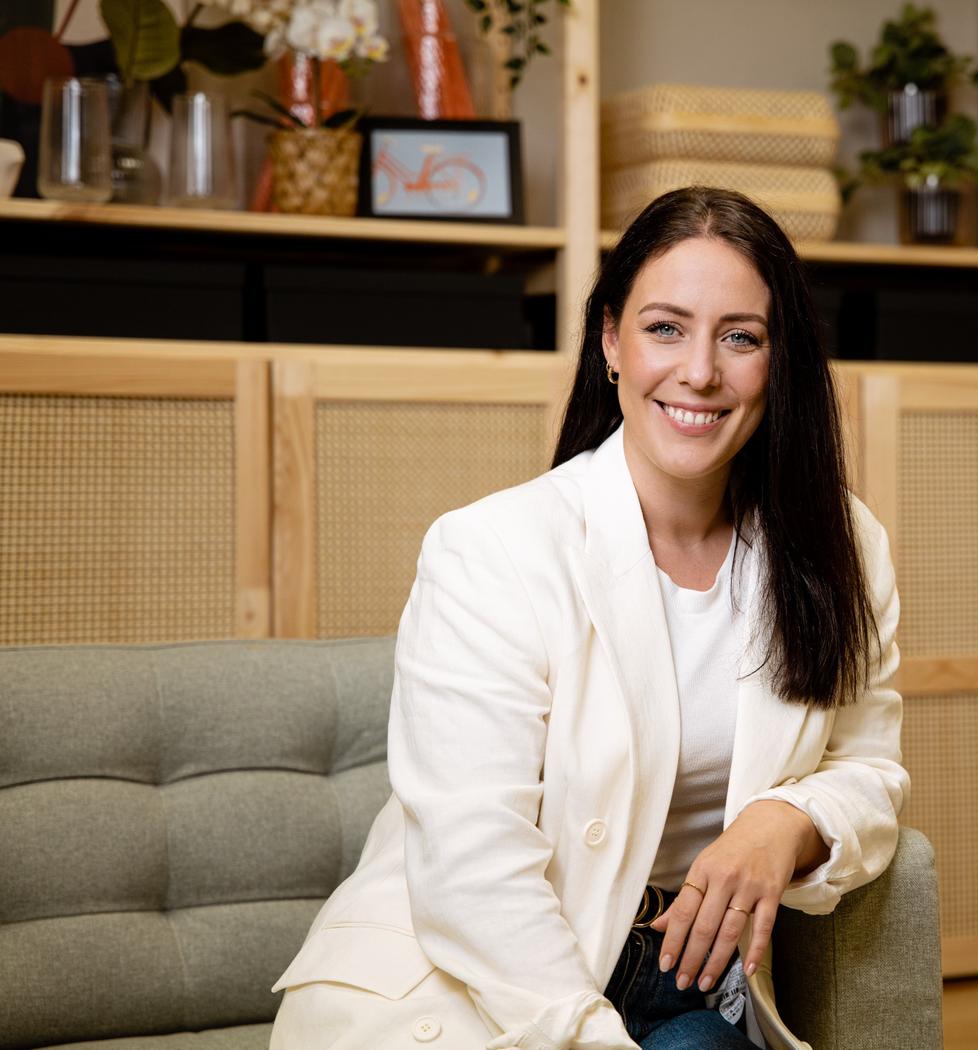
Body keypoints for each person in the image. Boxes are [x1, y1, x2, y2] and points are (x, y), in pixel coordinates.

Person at [269, 186, 908, 1050]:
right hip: (475, 982)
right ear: (611, 340)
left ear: (779, 357)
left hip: (690, 979)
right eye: (665, 328)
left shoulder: (840, 545)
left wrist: (787, 823)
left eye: (741, 337)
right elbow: (472, 863)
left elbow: (870, 768)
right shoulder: (491, 548)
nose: (700, 372)